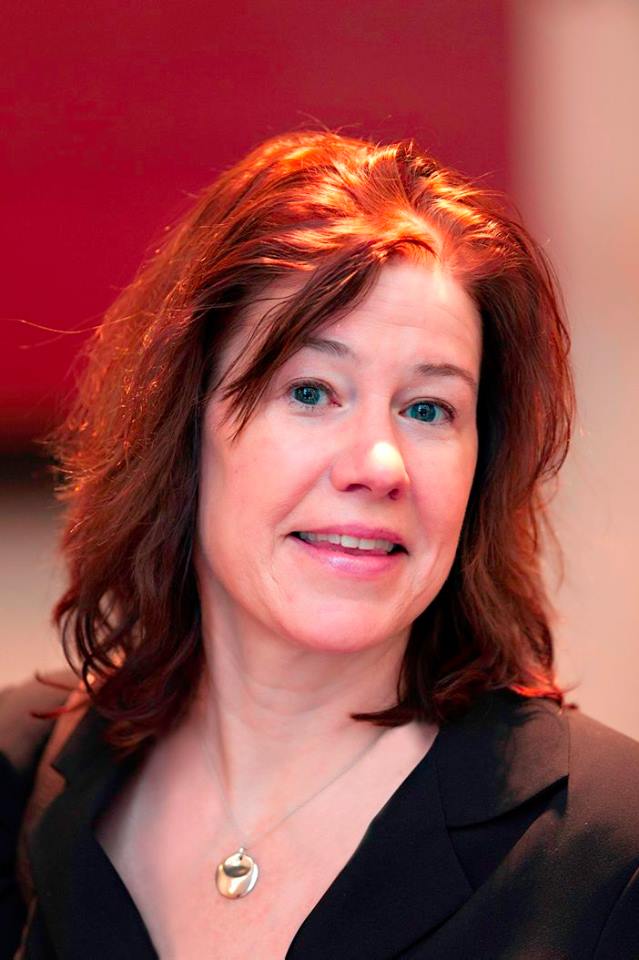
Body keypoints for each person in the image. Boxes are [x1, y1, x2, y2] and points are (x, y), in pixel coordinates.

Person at [2, 130, 638, 959]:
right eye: (310, 391)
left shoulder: (609, 848)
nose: (379, 465)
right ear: (183, 426)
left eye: (427, 409)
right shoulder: (14, 777)